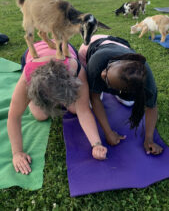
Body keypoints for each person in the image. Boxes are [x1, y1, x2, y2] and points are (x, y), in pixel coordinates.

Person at [7, 40, 107, 175]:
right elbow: (14, 116)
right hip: (35, 55)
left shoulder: (75, 69)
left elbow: (83, 111)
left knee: (74, 109)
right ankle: (36, 99)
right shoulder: (27, 76)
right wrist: (17, 152)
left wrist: (96, 144)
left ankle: (61, 98)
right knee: (41, 115)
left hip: (63, 49)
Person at [78, 34, 163, 155]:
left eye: (107, 79)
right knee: (90, 101)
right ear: (113, 63)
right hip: (92, 45)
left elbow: (152, 107)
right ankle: (108, 76)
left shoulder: (147, 82)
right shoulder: (97, 64)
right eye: (107, 69)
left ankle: (117, 86)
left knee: (130, 101)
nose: (103, 74)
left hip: (119, 46)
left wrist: (149, 139)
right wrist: (108, 132)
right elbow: (95, 98)